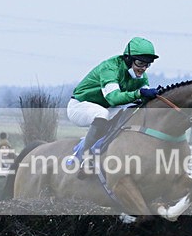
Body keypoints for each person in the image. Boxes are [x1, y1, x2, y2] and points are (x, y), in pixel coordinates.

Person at [66, 36, 160, 166]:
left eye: (147, 64)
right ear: (128, 59)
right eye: (140, 63)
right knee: (101, 115)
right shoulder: (110, 68)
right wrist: (139, 93)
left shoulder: (141, 77)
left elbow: (144, 97)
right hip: (79, 106)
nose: (143, 68)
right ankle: (83, 156)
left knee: (129, 114)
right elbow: (113, 98)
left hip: (106, 108)